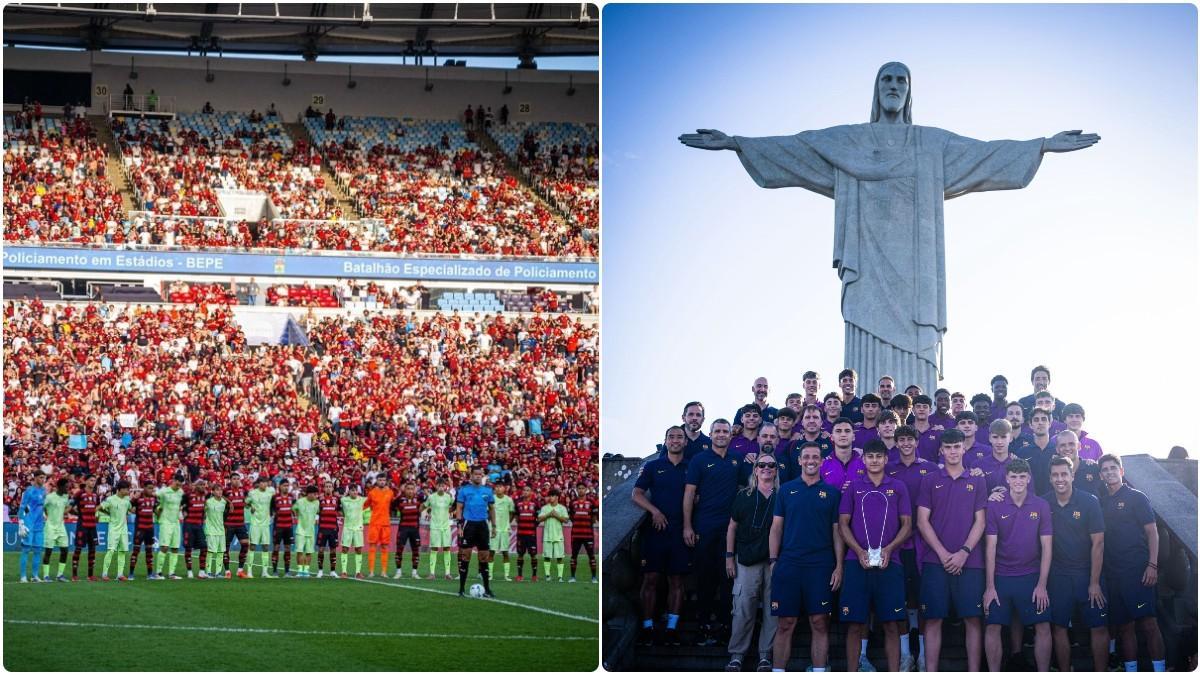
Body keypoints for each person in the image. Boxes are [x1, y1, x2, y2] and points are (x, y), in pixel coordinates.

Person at [916, 429, 988, 672]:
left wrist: (964, 552)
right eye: (948, 447)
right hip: (935, 561)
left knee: (973, 620)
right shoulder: (930, 480)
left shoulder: (978, 480)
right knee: (933, 619)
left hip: (971, 561)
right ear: (941, 450)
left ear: (964, 448)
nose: (953, 451)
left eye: (957, 446)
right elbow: (922, 521)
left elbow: (981, 521)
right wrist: (944, 554)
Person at [769, 442, 844, 672]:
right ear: (800, 461)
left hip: (820, 565)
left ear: (822, 462)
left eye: (815, 457)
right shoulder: (786, 490)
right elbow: (776, 528)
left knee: (820, 622)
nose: (811, 461)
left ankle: (820, 670)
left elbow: (837, 531)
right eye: (806, 457)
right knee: (785, 623)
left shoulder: (832, 493)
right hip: (789, 563)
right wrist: (773, 561)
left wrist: (839, 565)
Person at [839, 440, 912, 672]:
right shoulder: (853, 486)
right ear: (864, 459)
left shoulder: (898, 486)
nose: (874, 460)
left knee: (891, 624)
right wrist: (859, 551)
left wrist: (889, 549)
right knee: (854, 624)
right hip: (855, 562)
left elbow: (907, 524)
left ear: (885, 458)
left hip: (890, 563)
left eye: (878, 456)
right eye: (870, 456)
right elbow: (843, 523)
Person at [981, 458, 1053, 672]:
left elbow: (1047, 547)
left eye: (1022, 476)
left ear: (1029, 478)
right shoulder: (995, 505)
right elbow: (990, 547)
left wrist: (1042, 585)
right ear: (1007, 478)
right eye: (1014, 476)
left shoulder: (1041, 505)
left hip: (1031, 575)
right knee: (993, 626)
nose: (1018, 481)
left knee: (1043, 625)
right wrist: (990, 587)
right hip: (1001, 576)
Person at [1098, 454, 1167, 673]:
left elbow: (1152, 532)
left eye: (1113, 468)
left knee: (1148, 624)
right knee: (1125, 627)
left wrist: (1152, 565)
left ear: (1122, 471)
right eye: (1105, 469)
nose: (1110, 472)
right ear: (1100, 475)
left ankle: (1159, 669)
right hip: (1113, 574)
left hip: (1138, 571)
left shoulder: (1137, 497)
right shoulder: (1101, 501)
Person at [1042, 456, 1109, 672]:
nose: (1060, 479)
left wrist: (1095, 582)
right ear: (1050, 478)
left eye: (1064, 474)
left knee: (1098, 627)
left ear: (1072, 475)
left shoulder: (1090, 501)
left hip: (1087, 574)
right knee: (1059, 628)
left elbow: (1098, 543)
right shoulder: (1044, 503)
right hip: (1058, 576)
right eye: (1055, 475)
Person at [684, 418, 744, 646]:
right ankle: (702, 626)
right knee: (705, 580)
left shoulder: (736, 460)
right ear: (710, 434)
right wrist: (688, 526)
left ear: (730, 435)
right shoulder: (699, 460)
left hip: (730, 530)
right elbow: (689, 494)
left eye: (725, 431)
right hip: (704, 528)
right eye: (717, 431)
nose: (721, 434)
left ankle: (724, 627)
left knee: (728, 579)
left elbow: (744, 489)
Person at [633, 426, 692, 645]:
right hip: (656, 531)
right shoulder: (652, 466)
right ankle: (647, 627)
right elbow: (636, 494)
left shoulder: (691, 467)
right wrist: (654, 511)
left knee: (676, 580)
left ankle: (671, 628)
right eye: (671, 437)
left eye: (679, 437)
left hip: (680, 531)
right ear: (665, 441)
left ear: (685, 442)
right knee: (650, 578)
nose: (675, 440)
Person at [886, 425, 937, 669]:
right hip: (896, 542)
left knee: (924, 598)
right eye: (902, 439)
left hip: (924, 542)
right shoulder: (888, 468)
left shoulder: (930, 468)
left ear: (917, 442)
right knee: (900, 599)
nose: (906, 443)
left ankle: (925, 655)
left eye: (910, 439)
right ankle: (906, 654)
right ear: (896, 443)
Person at [724, 453, 779, 673]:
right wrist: (729, 556)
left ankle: (765, 655)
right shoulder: (744, 495)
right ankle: (737, 655)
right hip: (746, 559)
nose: (766, 468)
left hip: (774, 561)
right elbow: (732, 527)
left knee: (772, 610)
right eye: (761, 464)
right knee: (743, 608)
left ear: (776, 470)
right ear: (755, 469)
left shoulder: (782, 496)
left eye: (771, 465)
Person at [456, 466, 497, 597]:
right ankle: (461, 589)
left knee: (484, 557)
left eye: (480, 474)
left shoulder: (488, 491)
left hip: (483, 526)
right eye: (476, 474)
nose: (478, 476)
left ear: (482, 475)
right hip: (469, 525)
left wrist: (494, 526)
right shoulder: (464, 490)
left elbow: (491, 509)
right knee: (465, 556)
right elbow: (459, 507)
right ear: (471, 475)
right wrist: (459, 524)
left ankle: (487, 589)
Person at [98, 480, 133, 582]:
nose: (128, 491)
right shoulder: (110, 499)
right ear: (121, 489)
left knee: (122, 551)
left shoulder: (127, 500)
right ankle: (104, 574)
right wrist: (108, 513)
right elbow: (100, 507)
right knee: (111, 550)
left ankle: (120, 574)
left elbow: (131, 509)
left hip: (124, 529)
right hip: (113, 528)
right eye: (127, 489)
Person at [17, 470, 47, 583]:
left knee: (38, 550)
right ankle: (23, 576)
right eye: (40, 477)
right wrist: (21, 523)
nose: (43, 480)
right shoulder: (29, 491)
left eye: (44, 478)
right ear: (35, 478)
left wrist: (43, 514)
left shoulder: (44, 490)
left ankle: (35, 575)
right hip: (29, 523)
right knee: (25, 550)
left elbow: (41, 505)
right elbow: (22, 507)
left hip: (39, 524)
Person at [820, 418, 866, 491]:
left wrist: (857, 489)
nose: (843, 434)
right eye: (838, 431)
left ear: (853, 437)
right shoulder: (823, 464)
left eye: (847, 431)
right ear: (832, 437)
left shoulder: (865, 463)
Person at [42, 478, 73, 583]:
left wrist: (70, 509)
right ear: (60, 487)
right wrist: (46, 516)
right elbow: (42, 507)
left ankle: (60, 575)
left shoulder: (65, 497)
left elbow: (66, 508)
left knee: (65, 551)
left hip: (61, 527)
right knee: (48, 552)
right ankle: (46, 576)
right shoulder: (50, 497)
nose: (68, 489)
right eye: (66, 487)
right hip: (50, 527)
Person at [423, 479, 455, 580]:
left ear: (445, 486)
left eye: (443, 485)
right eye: (439, 485)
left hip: (446, 526)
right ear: (436, 486)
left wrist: (451, 512)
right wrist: (427, 513)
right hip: (435, 527)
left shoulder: (448, 497)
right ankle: (432, 573)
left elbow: (454, 506)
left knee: (447, 548)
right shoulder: (431, 497)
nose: (441, 487)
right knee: (434, 549)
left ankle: (447, 573)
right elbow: (425, 506)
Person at [70, 476, 101, 581]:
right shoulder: (79, 493)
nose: (93, 482)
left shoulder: (96, 495)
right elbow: (70, 507)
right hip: (82, 525)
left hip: (92, 526)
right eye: (91, 480)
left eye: (94, 481)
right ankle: (74, 575)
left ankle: (90, 575)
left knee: (92, 550)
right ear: (86, 481)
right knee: (78, 549)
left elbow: (96, 507)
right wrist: (79, 514)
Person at [155, 474, 185, 578]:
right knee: (164, 547)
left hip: (176, 522)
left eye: (180, 484)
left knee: (175, 548)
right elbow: (155, 500)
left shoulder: (181, 492)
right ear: (173, 481)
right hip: (165, 521)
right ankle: (158, 573)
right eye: (177, 483)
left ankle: (172, 573)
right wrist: (157, 512)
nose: (179, 486)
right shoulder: (164, 491)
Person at [365, 475, 395, 577]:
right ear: (377, 481)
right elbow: (365, 505)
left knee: (385, 547)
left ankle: (383, 572)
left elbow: (394, 505)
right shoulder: (372, 493)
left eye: (383, 480)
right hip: (374, 523)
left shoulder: (390, 492)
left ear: (386, 481)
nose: (382, 482)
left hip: (385, 523)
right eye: (380, 480)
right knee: (372, 546)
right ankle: (371, 571)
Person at [246, 476, 276, 578]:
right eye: (262, 483)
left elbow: (275, 502)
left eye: (266, 482)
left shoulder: (271, 491)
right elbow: (246, 503)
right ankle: (249, 571)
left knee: (266, 547)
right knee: (253, 546)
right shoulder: (252, 493)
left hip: (266, 524)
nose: (264, 484)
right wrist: (251, 507)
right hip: (255, 523)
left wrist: (273, 512)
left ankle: (265, 572)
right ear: (258, 484)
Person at [537, 488, 569, 585]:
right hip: (547, 536)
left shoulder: (562, 508)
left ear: (557, 497)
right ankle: (547, 575)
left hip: (558, 536)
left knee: (560, 557)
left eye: (552, 496)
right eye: (549, 496)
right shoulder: (545, 508)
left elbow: (566, 520)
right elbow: (539, 519)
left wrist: (556, 515)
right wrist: (548, 515)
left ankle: (560, 577)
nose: (550, 498)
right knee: (547, 556)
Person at [392, 482, 423, 580]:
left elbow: (426, 504)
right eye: (408, 488)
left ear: (415, 490)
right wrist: (400, 493)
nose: (410, 491)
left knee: (416, 550)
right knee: (399, 550)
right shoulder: (400, 499)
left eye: (412, 489)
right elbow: (392, 505)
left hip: (415, 529)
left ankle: (414, 572)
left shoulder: (419, 499)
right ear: (405, 490)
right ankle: (398, 571)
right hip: (403, 528)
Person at [568, 485, 597, 583]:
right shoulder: (572, 503)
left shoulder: (592, 502)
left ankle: (594, 577)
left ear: (586, 490)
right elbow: (571, 517)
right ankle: (572, 577)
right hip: (576, 534)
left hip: (588, 534)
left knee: (591, 556)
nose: (581, 490)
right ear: (576, 490)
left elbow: (593, 518)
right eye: (579, 488)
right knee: (574, 556)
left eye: (582, 488)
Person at [223, 474, 251, 578]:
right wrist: (228, 502)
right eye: (234, 479)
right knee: (226, 547)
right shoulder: (226, 491)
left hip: (240, 523)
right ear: (230, 480)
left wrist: (250, 506)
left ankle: (240, 570)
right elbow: (218, 497)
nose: (236, 481)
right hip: (229, 524)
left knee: (245, 545)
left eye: (238, 479)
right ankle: (227, 572)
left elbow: (246, 502)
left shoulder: (243, 491)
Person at [130, 484, 158, 580]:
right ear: (144, 488)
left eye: (152, 488)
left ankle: (150, 574)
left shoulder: (154, 499)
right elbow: (131, 508)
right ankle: (131, 574)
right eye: (149, 488)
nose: (151, 490)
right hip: (140, 529)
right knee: (136, 551)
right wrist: (133, 499)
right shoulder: (138, 498)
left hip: (150, 529)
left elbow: (156, 511)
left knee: (149, 552)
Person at [514, 484, 541, 582]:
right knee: (520, 554)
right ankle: (519, 575)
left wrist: (533, 526)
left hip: (531, 534)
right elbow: (517, 518)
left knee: (533, 555)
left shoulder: (536, 503)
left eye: (527, 490)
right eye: (524, 490)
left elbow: (539, 518)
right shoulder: (517, 503)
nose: (525, 492)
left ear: (531, 492)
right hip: (521, 534)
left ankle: (534, 576)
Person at [270, 479, 296, 577]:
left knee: (288, 548)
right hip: (278, 527)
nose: (286, 487)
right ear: (280, 486)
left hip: (289, 527)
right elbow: (271, 510)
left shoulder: (291, 497)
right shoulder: (275, 497)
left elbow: (294, 510)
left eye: (287, 485)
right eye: (284, 485)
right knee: (276, 548)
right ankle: (275, 571)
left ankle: (287, 571)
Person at [340, 483, 367, 579]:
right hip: (347, 528)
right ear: (349, 491)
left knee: (359, 550)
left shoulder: (362, 500)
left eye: (356, 490)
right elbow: (339, 498)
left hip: (358, 528)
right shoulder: (344, 500)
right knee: (344, 549)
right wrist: (345, 493)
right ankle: (344, 572)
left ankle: (358, 572)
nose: (355, 492)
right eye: (352, 490)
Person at [293, 485, 320, 578]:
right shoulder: (300, 501)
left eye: (316, 494)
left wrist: (316, 518)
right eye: (314, 494)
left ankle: (306, 571)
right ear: (308, 494)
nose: (315, 495)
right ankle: (300, 570)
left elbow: (318, 512)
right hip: (300, 530)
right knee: (299, 551)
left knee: (309, 552)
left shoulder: (317, 503)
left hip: (311, 531)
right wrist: (297, 516)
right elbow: (293, 509)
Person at [316, 482, 341, 578]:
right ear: (324, 488)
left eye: (330, 487)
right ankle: (320, 570)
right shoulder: (320, 499)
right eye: (326, 487)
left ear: (332, 488)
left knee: (333, 550)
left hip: (333, 528)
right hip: (323, 528)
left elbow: (339, 511)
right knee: (321, 549)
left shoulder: (337, 499)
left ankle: (332, 571)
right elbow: (316, 510)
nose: (328, 488)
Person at [204, 483, 229, 578]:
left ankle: (218, 573)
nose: (219, 491)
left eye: (220, 490)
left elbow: (226, 515)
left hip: (221, 530)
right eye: (217, 490)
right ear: (213, 491)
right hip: (210, 530)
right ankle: (208, 572)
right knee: (210, 551)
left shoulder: (224, 502)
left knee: (221, 552)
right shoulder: (208, 502)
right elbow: (202, 512)